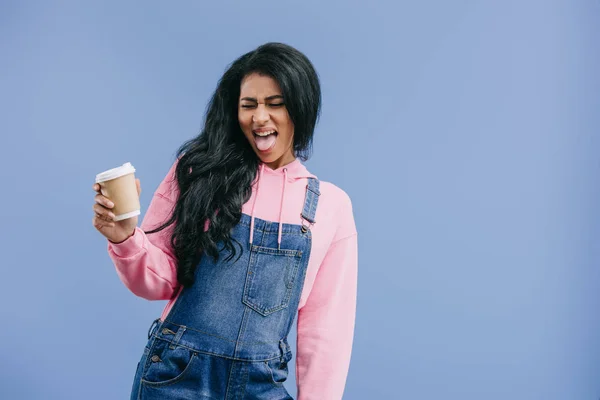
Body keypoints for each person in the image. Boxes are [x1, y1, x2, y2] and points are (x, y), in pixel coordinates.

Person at [92, 42, 357, 400]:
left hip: (261, 385)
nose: (259, 117)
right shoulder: (198, 171)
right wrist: (125, 237)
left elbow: (327, 331)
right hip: (176, 375)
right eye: (249, 105)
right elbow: (157, 282)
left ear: (300, 107)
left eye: (274, 104)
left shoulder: (330, 206)